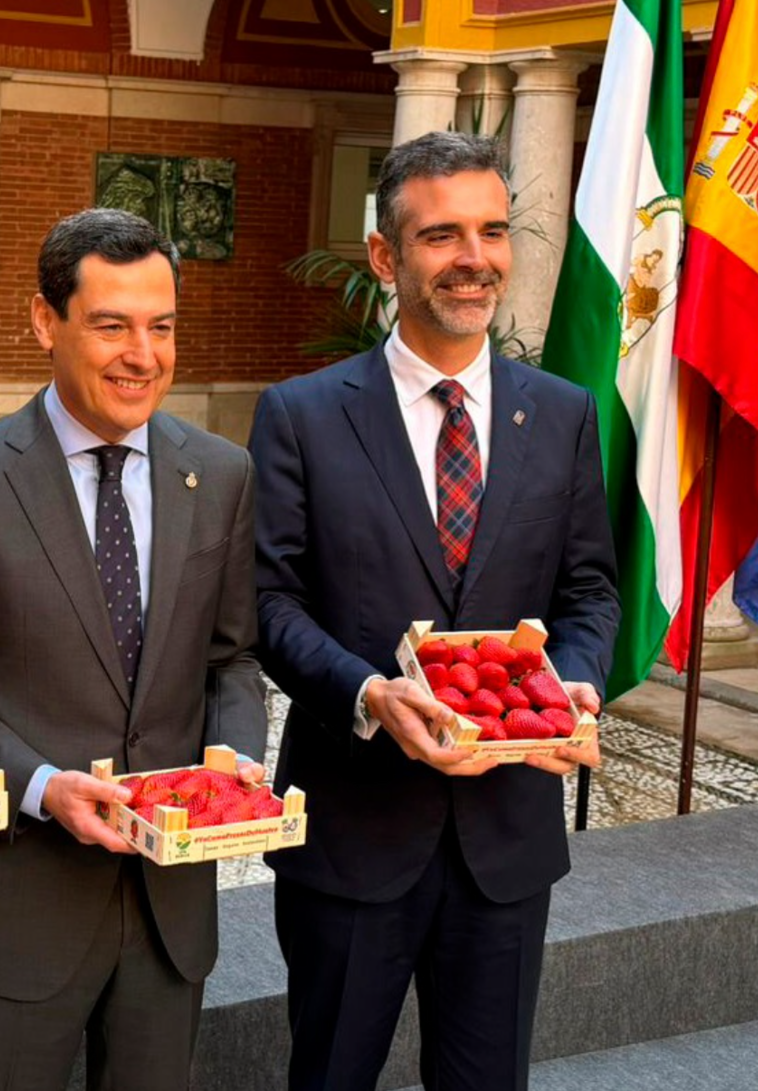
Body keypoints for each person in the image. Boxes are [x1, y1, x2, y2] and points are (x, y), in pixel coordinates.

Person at [248, 130, 621, 1090]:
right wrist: (369, 693)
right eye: (442, 234)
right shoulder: (302, 415)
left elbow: (588, 589)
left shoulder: (564, 414)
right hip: (354, 836)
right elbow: (271, 602)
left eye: (492, 231)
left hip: (507, 842)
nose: (474, 258)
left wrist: (574, 683)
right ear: (386, 255)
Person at [0, 207, 267, 1091]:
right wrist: (44, 786)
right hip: (15, 909)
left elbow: (231, 658)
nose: (143, 354)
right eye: (112, 325)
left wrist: (235, 763)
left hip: (168, 913)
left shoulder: (221, 473)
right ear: (45, 321)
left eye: (161, 327)